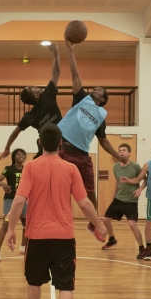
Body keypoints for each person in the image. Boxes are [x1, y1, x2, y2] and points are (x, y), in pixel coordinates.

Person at [4, 124, 107, 299]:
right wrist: (99, 225)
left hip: (37, 237)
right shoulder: (71, 169)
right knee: (65, 285)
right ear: (61, 144)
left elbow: (18, 202)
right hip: (63, 238)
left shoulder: (30, 166)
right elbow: (85, 203)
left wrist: (11, 230)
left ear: (40, 143)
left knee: (33, 280)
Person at [61, 40, 123, 236]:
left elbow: (103, 140)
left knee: (89, 191)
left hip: (81, 154)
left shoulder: (101, 116)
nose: (95, 89)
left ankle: (94, 223)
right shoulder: (82, 98)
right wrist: (71, 52)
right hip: (62, 149)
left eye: (99, 90)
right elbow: (75, 74)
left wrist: (117, 155)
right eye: (94, 88)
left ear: (103, 98)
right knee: (56, 188)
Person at [0, 43, 61, 160]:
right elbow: (56, 72)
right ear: (36, 95)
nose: (37, 87)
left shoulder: (30, 115)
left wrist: (7, 147)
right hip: (47, 144)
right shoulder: (47, 95)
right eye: (35, 88)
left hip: (59, 141)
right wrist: (55, 52)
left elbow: (15, 133)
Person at [100, 143, 145, 258]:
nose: (121, 152)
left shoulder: (135, 166)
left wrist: (140, 189)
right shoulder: (115, 167)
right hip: (119, 199)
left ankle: (142, 248)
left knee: (132, 224)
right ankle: (112, 239)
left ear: (129, 153)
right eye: (120, 150)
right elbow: (117, 182)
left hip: (131, 200)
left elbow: (145, 180)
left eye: (124, 150)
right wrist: (114, 197)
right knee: (105, 220)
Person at [0, 148, 28, 262]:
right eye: (18, 154)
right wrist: (3, 184)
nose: (21, 155)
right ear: (14, 157)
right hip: (10, 200)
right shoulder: (8, 169)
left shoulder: (27, 169)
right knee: (5, 225)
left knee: (27, 225)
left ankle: (23, 246)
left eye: (23, 154)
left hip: (22, 200)